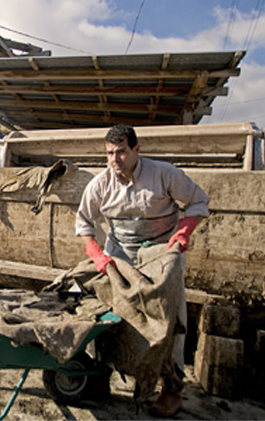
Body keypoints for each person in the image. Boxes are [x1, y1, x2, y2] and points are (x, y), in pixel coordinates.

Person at [75, 124, 209, 417]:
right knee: (112, 317)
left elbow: (198, 202)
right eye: (110, 152)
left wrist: (183, 233)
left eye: (122, 151)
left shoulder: (164, 174)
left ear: (137, 149)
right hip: (119, 256)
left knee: (168, 321)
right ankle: (103, 376)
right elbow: (83, 222)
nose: (115, 158)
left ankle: (171, 390)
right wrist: (97, 256)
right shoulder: (100, 184)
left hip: (161, 257)